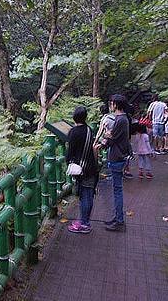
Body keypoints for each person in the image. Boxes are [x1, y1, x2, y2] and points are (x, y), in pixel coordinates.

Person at [94, 94, 132, 232]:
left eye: (111, 102)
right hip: (118, 156)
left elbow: (111, 136)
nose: (110, 104)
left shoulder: (121, 119)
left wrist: (105, 137)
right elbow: (111, 136)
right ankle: (117, 218)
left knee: (117, 191)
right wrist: (107, 136)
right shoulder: (122, 118)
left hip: (117, 157)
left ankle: (119, 221)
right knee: (117, 190)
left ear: (116, 104)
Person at [66, 106, 99, 234]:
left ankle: (84, 224)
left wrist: (67, 161)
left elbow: (70, 152)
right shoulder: (89, 129)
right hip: (91, 167)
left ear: (74, 117)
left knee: (85, 196)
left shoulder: (73, 132)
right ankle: (85, 221)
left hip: (81, 169)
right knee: (88, 194)